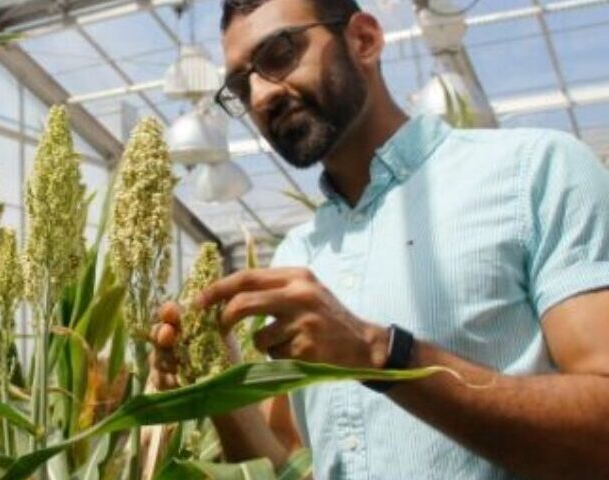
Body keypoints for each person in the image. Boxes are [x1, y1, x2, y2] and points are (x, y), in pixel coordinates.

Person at [151, 0, 609, 478]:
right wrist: (217, 387)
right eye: (242, 85)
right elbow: (289, 465)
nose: (261, 95)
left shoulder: (534, 173)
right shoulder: (294, 258)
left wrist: (380, 354)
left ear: (364, 40)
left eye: (279, 53)